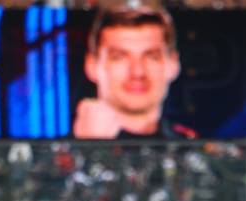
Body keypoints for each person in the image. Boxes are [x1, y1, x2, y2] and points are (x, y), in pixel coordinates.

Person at [73, 1, 188, 140]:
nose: (137, 72)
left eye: (152, 57)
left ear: (173, 65)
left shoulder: (193, 148)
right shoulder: (55, 155)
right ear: (92, 66)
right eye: (119, 57)